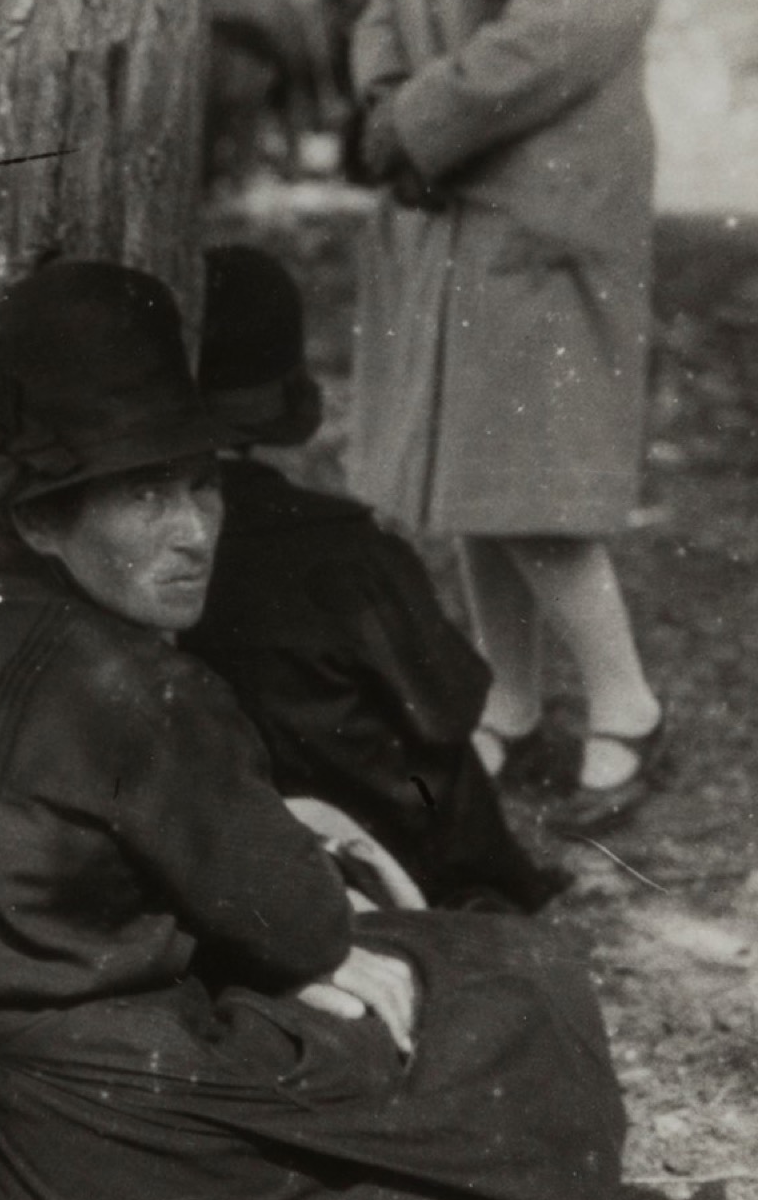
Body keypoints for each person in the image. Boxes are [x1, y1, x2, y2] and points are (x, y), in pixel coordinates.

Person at [0, 259, 718, 1200]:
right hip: (101, 1154)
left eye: (200, 485)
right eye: (142, 497)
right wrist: (328, 942)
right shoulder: (142, 684)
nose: (192, 533)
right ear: (39, 516)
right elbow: (304, 921)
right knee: (513, 982)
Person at [348, 0, 693, 833]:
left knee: (531, 468)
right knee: (462, 458)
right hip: (451, 166)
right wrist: (382, 78)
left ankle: (626, 707)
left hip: (539, 168)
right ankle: (506, 703)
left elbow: (586, 7)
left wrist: (430, 114)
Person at [186, 245, 563, 915]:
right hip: (371, 847)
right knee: (434, 759)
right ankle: (495, 889)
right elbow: (447, 701)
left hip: (216, 839)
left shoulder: (126, 558)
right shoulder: (344, 550)